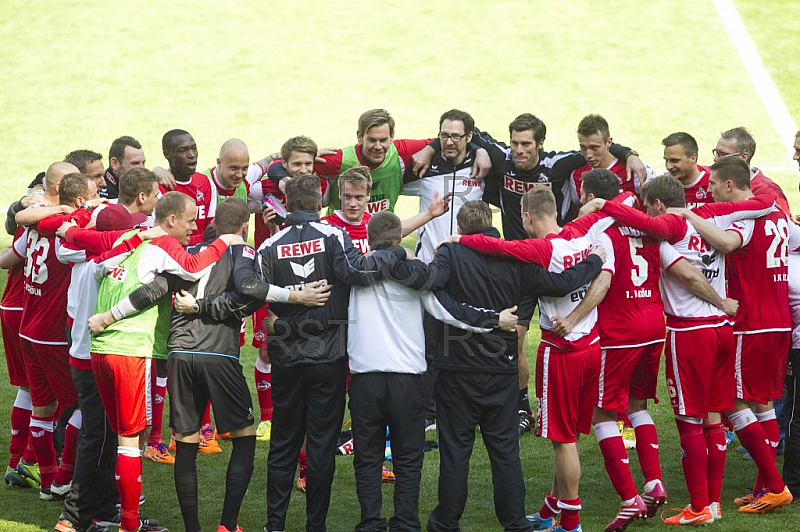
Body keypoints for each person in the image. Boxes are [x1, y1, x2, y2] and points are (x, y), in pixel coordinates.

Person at [418, 113, 643, 436]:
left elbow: (596, 150)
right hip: (519, 268)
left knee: (572, 333)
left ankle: (583, 406)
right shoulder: (502, 156)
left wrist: (629, 153)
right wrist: (429, 148)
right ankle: (521, 405)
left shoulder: (558, 164)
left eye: (526, 144)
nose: (519, 150)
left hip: (553, 258)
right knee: (514, 337)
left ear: (540, 144)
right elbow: (468, 133)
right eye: (514, 143)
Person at [581, 175, 776, 525]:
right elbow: (758, 206)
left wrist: (604, 205)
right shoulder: (710, 222)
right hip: (721, 330)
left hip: (691, 333)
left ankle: (699, 506)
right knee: (715, 417)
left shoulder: (667, 236)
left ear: (658, 206)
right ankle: (713, 504)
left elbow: (688, 276)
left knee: (689, 420)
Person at [418, 200, 606, 532]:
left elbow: (431, 292)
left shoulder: (449, 254)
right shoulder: (515, 257)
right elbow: (563, 284)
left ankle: (446, 522)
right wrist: (594, 261)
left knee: (455, 454)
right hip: (501, 372)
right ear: (492, 227)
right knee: (505, 453)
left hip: (456, 370)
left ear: (461, 230)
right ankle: (515, 523)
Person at [255, 174, 407, 532]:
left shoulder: (267, 247)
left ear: (287, 204)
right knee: (322, 446)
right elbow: (358, 271)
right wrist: (395, 254)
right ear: (323, 202)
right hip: (328, 359)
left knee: (283, 444)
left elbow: (258, 296)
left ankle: (274, 526)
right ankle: (316, 526)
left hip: (286, 360)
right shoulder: (334, 236)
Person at [86, 192, 244, 532]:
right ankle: (129, 522)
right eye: (189, 222)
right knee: (131, 441)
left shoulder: (131, 241)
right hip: (130, 348)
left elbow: (97, 268)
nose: (193, 229)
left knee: (116, 436)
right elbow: (192, 266)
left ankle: (99, 511)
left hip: (100, 349)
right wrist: (223, 241)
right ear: (171, 220)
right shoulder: (163, 246)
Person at [668, 156, 795, 514]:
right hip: (779, 320)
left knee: (735, 403)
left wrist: (689, 215)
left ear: (728, 185)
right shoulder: (779, 215)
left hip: (751, 321)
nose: (707, 193)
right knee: (763, 403)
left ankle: (774, 485)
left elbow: (725, 244)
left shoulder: (746, 219)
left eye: (711, 187)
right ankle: (763, 486)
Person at [52, 169, 161, 532]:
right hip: (93, 357)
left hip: (80, 354)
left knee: (99, 435)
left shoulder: (80, 259)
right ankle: (76, 515)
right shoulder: (103, 264)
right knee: (98, 440)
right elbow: (131, 244)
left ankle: (104, 508)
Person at [572, 169, 667, 529]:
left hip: (619, 332)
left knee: (603, 416)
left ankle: (629, 499)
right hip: (653, 326)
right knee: (637, 406)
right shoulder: (645, 222)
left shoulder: (600, 226)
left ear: (589, 194)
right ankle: (654, 483)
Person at [13, 167, 89, 500]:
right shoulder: (65, 228)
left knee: (42, 408)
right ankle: (64, 479)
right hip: (53, 334)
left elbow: (23, 214)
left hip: (28, 329)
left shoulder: (33, 223)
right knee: (81, 406)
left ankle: (46, 483)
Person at [268, 109, 489, 215]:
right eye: (371, 140)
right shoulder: (340, 159)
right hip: (343, 237)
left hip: (383, 236)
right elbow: (281, 164)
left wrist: (479, 150)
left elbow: (446, 139)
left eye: (384, 140)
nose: (378, 146)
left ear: (392, 138)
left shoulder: (401, 151)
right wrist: (283, 178)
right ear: (359, 137)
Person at [402, 109, 483, 264]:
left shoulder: (481, 168)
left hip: (468, 264)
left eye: (456, 136)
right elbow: (389, 181)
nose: (449, 142)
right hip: (429, 263)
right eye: (444, 135)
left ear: (469, 137)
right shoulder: (424, 167)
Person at [568, 114, 656, 217]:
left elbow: (659, 206)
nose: (588, 155)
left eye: (594, 148)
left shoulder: (633, 170)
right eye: (583, 147)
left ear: (609, 142)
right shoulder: (576, 176)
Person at [712, 126, 791, 215]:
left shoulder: (769, 191)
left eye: (722, 154)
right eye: (716, 152)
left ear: (743, 157)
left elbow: (784, 224)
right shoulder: (716, 182)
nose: (715, 159)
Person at [159, 129, 217, 245]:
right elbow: (160, 238)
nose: (191, 155)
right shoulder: (159, 189)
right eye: (183, 150)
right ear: (167, 154)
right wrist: (201, 239)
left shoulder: (206, 183)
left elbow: (211, 231)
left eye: (194, 148)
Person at [662, 132, 713, 209]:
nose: (668, 166)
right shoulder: (664, 185)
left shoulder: (713, 183)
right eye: (666, 160)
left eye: (675, 161)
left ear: (693, 158)